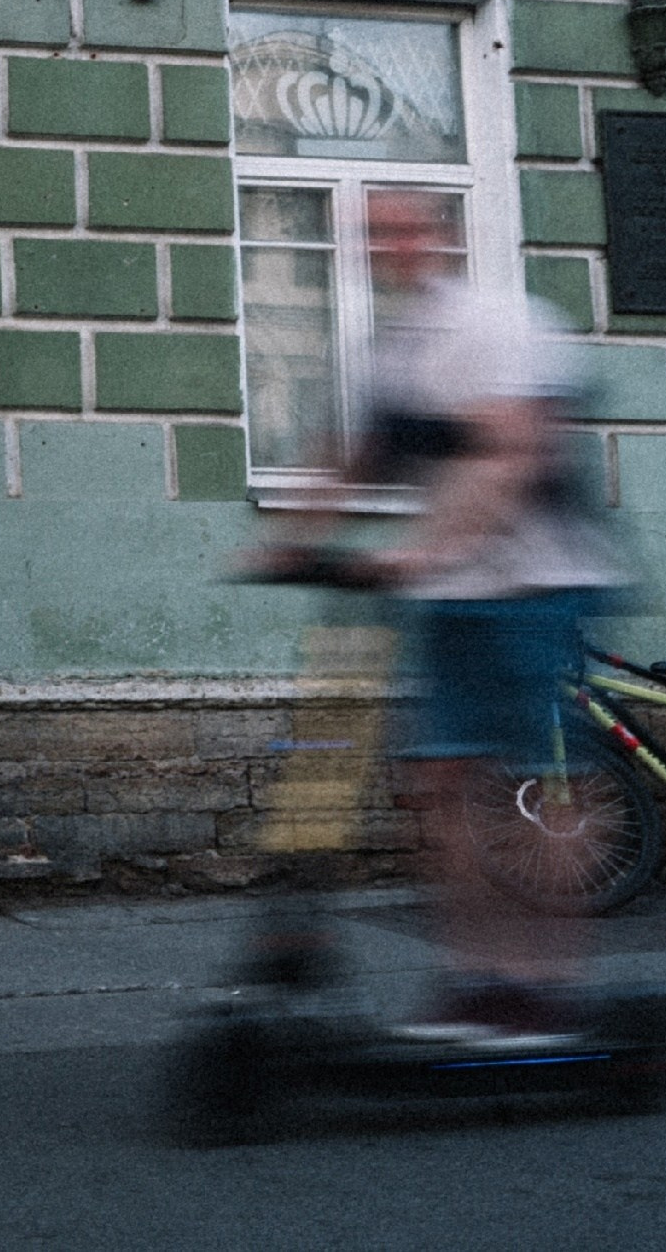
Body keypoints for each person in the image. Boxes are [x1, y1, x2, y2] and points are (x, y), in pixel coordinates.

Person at [266, 191, 629, 1044]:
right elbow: (352, 458)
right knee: (439, 788)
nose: (390, 245)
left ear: (444, 235)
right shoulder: (397, 348)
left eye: (406, 228)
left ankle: (549, 987)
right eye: (374, 234)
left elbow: (511, 456)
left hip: (539, 588)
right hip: (451, 599)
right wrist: (288, 542)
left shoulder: (502, 322)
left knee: (539, 797)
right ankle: (478, 982)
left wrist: (428, 552)